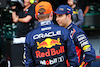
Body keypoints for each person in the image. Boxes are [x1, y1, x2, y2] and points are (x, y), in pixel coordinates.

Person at [25, 1, 78, 67]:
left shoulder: (30, 36)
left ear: (36, 16)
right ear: (51, 14)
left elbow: (29, 62)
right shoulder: (64, 31)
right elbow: (72, 57)